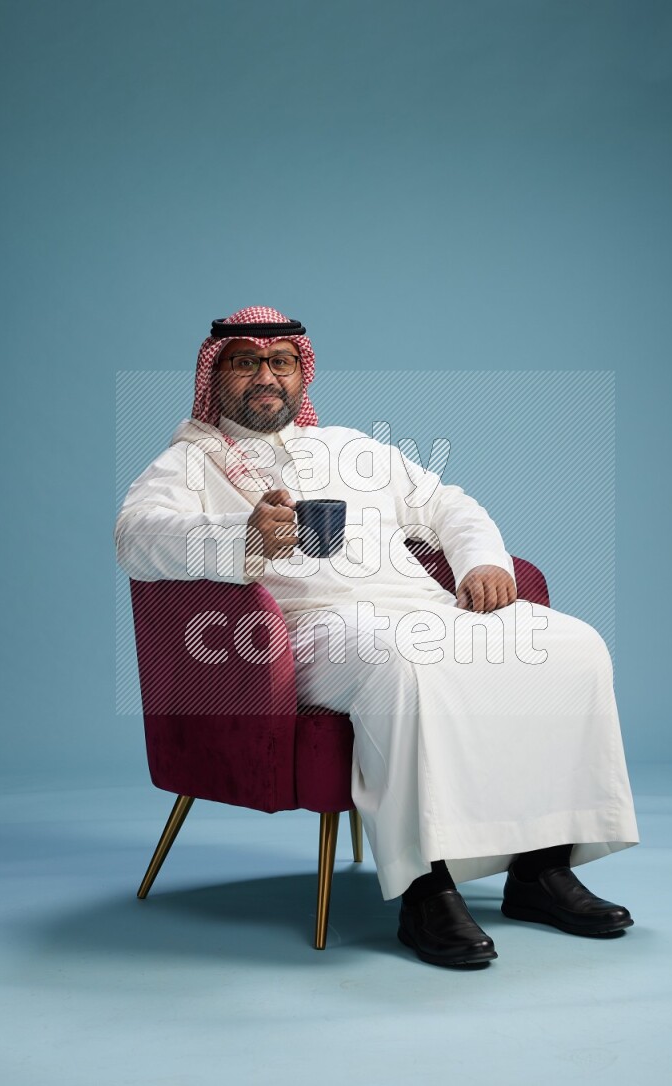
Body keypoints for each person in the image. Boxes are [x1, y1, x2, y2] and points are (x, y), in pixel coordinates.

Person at [115, 305, 640, 968]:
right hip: (301, 631)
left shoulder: (352, 449)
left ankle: (541, 870)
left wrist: (483, 562)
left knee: (572, 649)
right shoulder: (185, 464)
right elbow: (136, 538)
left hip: (420, 605)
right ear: (215, 375)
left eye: (280, 362)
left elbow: (449, 504)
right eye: (246, 362)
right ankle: (425, 889)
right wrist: (239, 537)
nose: (265, 377)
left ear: (301, 372)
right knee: (401, 663)